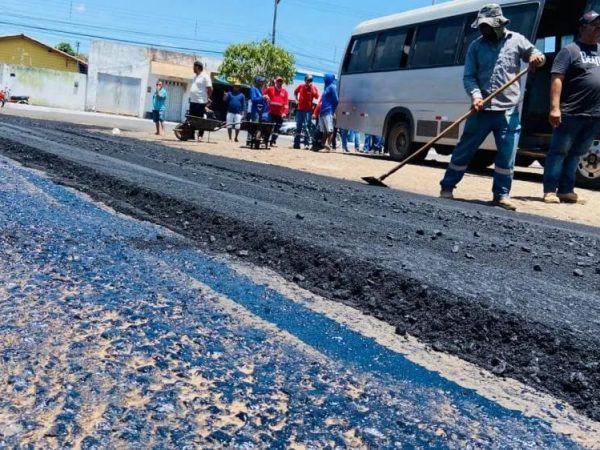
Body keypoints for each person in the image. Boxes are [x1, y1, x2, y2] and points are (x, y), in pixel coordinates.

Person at [439, 3, 545, 211]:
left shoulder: (517, 41)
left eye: (485, 26)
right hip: (482, 109)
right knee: (464, 150)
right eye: (480, 26)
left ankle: (501, 195)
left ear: (498, 24)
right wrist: (476, 96)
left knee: (507, 156)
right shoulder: (476, 46)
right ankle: (447, 187)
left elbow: (537, 56)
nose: (481, 29)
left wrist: (536, 59)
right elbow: (469, 76)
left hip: (508, 110)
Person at [542, 10, 600, 204]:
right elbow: (557, 78)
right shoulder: (570, 50)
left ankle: (566, 191)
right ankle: (550, 190)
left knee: (576, 154)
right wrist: (555, 108)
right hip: (571, 112)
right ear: (582, 28)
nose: (598, 27)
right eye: (594, 24)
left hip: (594, 115)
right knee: (559, 152)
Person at [294, 74, 319, 149]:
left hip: (308, 111)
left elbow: (317, 96)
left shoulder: (313, 88)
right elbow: (295, 92)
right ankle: (296, 143)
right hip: (300, 109)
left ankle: (306, 144)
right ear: (305, 80)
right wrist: (296, 99)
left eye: (311, 80)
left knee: (307, 127)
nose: (309, 82)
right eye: (308, 80)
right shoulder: (301, 86)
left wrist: (312, 88)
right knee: (298, 126)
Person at [189, 61, 213, 142]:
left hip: (200, 101)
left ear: (198, 67)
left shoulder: (205, 76)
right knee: (191, 119)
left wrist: (207, 98)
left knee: (200, 120)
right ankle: (191, 135)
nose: (193, 68)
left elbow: (210, 89)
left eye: (194, 67)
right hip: (193, 101)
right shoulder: (195, 76)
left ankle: (200, 136)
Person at [263, 76, 289, 147]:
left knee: (277, 128)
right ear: (275, 82)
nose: (279, 83)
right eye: (278, 81)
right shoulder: (270, 89)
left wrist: (284, 112)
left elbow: (286, 104)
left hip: (279, 114)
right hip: (271, 112)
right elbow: (263, 94)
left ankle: (273, 141)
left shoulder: (285, 92)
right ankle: (266, 140)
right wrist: (265, 96)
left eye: (281, 81)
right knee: (268, 127)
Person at [247, 76, 269, 146]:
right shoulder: (253, 88)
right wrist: (262, 97)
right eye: (260, 81)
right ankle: (249, 140)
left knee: (260, 126)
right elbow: (253, 99)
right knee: (254, 125)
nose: (262, 82)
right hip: (255, 110)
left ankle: (257, 140)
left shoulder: (260, 90)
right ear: (257, 81)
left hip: (261, 111)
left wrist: (266, 99)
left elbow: (262, 100)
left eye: (262, 81)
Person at [319, 73, 339, 150]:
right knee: (324, 130)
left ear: (329, 78)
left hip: (329, 111)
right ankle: (323, 145)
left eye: (325, 78)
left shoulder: (332, 87)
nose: (324, 79)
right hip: (323, 111)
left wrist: (333, 111)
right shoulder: (326, 87)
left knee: (330, 130)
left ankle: (328, 145)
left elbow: (336, 100)